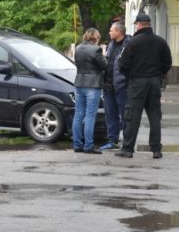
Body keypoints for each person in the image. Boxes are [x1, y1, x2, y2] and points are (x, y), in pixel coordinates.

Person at [115, 13, 172, 159]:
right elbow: (167, 62)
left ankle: (127, 149)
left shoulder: (133, 42)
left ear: (139, 24)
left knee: (132, 116)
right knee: (154, 116)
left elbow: (123, 64)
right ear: (149, 24)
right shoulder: (160, 41)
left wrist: (129, 77)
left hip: (137, 82)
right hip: (154, 82)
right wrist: (159, 74)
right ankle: (156, 150)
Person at [72, 28, 107, 154]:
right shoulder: (96, 49)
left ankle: (77, 144)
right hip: (93, 84)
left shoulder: (77, 48)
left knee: (78, 115)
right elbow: (104, 65)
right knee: (90, 115)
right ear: (96, 37)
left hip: (79, 83)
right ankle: (88, 146)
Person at [100, 22, 132, 151]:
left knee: (126, 114)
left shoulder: (129, 44)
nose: (109, 32)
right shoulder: (111, 44)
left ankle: (127, 142)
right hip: (108, 85)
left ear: (119, 32)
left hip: (122, 85)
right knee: (111, 114)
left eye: (111, 30)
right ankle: (112, 140)